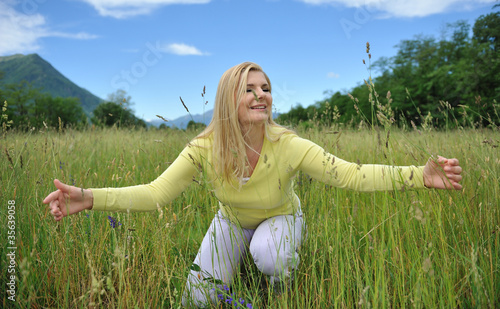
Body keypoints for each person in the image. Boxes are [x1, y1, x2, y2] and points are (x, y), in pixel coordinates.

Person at [43, 62, 463, 307]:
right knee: (200, 296)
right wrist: (89, 197)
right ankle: (238, 257)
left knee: (269, 256)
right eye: (249, 89)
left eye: (266, 88)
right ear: (229, 99)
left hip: (282, 217)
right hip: (231, 221)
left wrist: (418, 176)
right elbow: (156, 193)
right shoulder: (203, 147)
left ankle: (280, 286)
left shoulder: (289, 145)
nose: (261, 95)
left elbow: (350, 174)